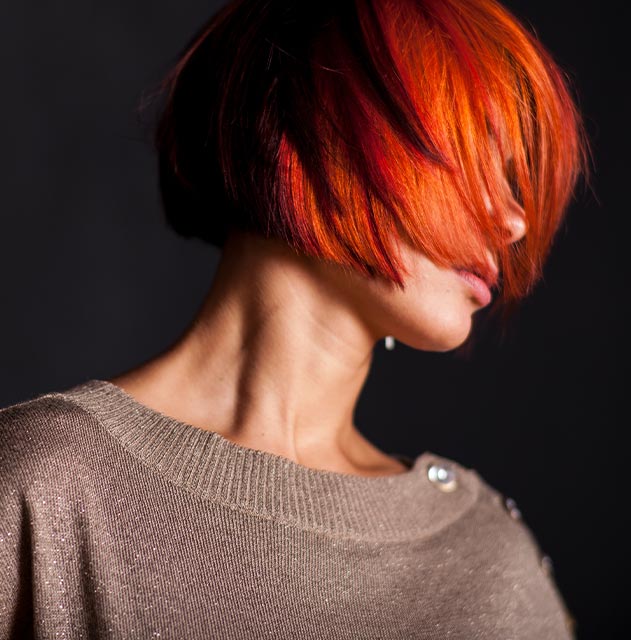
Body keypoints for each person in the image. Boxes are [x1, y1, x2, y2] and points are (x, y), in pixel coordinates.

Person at [0, 0, 589, 638]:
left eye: (511, 179)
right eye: (475, 158)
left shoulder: (490, 563)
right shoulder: (44, 485)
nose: (514, 221)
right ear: (318, 123)